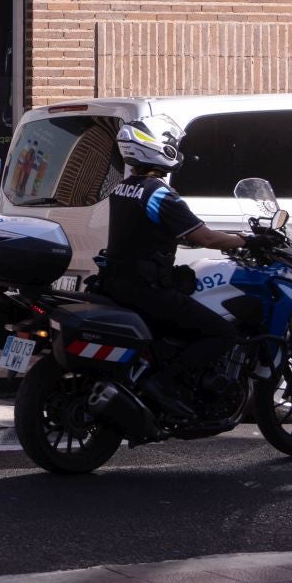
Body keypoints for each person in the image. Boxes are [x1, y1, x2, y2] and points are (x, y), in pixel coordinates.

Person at [96, 118, 251, 399]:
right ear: (156, 148)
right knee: (223, 334)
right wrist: (247, 240)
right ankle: (164, 383)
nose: (174, 149)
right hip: (147, 290)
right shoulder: (159, 194)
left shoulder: (123, 188)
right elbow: (206, 238)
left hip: (117, 283)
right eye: (170, 144)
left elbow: (145, 230)